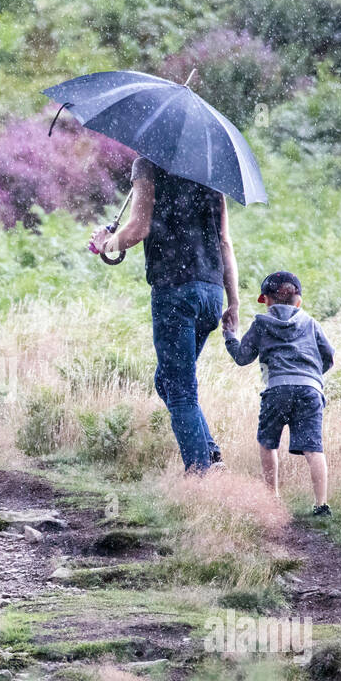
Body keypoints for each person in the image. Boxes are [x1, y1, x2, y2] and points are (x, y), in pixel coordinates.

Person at [91, 156, 241, 473]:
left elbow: (138, 228)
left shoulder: (147, 163)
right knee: (168, 381)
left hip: (175, 292)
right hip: (211, 294)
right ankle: (211, 456)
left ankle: (199, 475)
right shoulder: (210, 169)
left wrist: (107, 244)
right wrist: (234, 302)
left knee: (180, 389)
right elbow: (225, 242)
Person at [222, 271, 335, 515]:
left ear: (267, 301)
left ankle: (272, 499)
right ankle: (321, 505)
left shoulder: (261, 324)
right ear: (299, 301)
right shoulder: (311, 323)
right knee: (314, 448)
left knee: (268, 442)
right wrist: (312, 375)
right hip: (310, 390)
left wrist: (229, 336)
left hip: (277, 389)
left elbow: (243, 357)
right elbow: (329, 356)